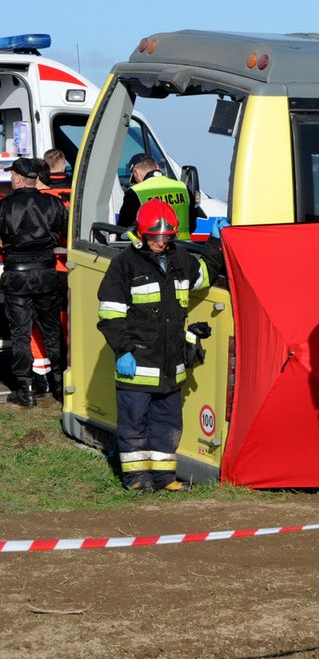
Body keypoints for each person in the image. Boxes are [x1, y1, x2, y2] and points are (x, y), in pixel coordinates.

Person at [96, 199, 219, 491]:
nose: (161, 243)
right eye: (155, 237)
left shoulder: (180, 259)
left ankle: (164, 478)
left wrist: (215, 243)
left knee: (168, 424)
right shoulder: (124, 265)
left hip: (170, 366)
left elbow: (204, 275)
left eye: (166, 237)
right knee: (134, 426)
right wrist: (123, 350)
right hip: (137, 365)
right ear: (141, 233)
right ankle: (136, 479)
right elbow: (110, 315)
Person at [0, 158, 68, 406]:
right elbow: (67, 232)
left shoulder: (5, 206)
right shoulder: (53, 203)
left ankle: (26, 389)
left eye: (12, 176)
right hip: (47, 273)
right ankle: (60, 384)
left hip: (17, 275)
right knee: (52, 331)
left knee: (20, 334)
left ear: (18, 178)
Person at [118, 156, 194, 239]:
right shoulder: (182, 187)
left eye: (135, 179)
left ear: (136, 173)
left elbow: (123, 228)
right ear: (157, 167)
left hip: (153, 246)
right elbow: (192, 222)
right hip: (183, 246)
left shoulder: (135, 192)